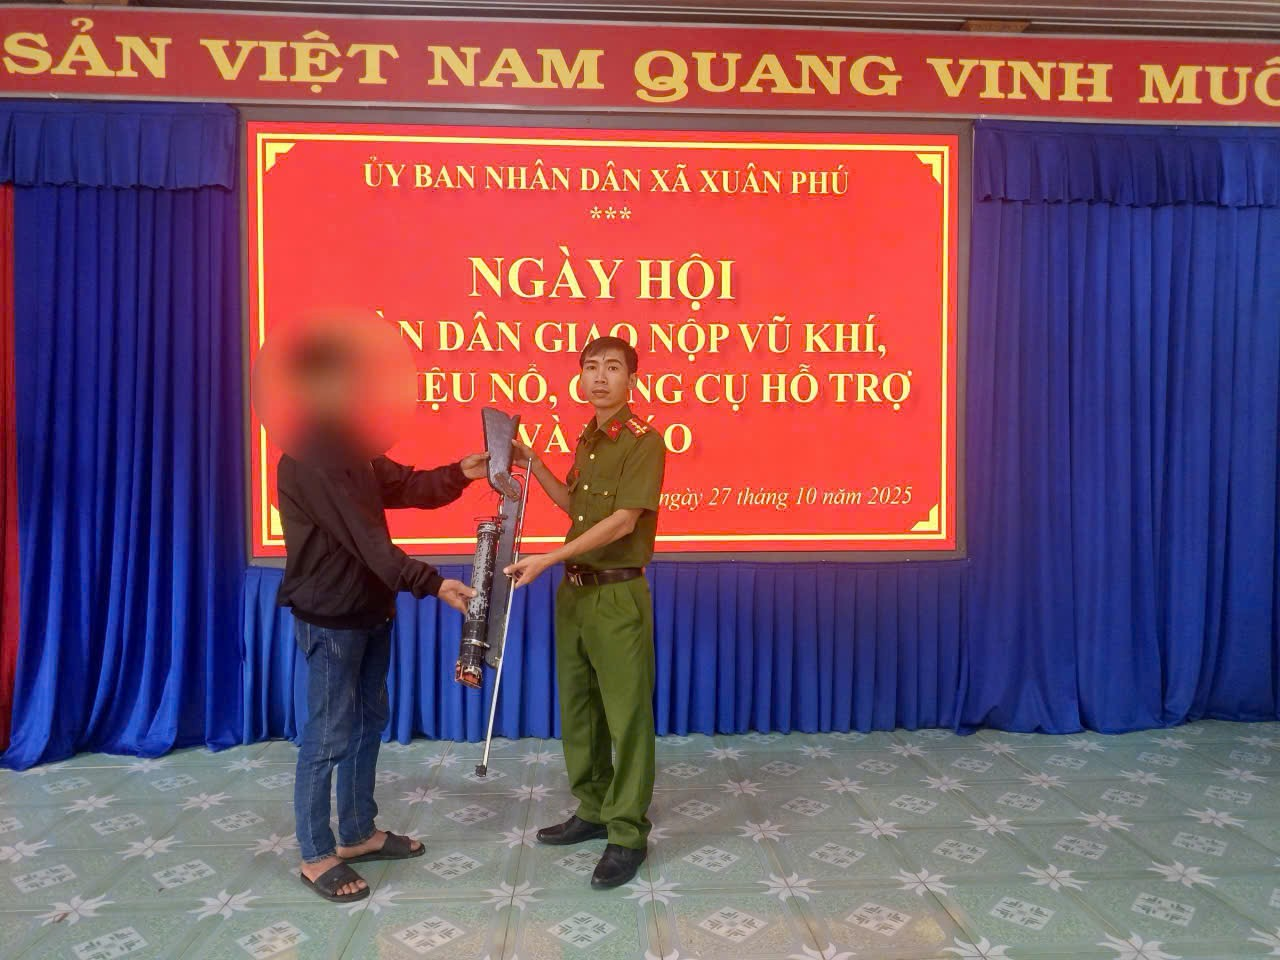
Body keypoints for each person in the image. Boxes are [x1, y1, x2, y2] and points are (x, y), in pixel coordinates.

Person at [275, 336, 487, 903]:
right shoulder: (309, 457)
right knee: (328, 734)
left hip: (370, 611)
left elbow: (406, 486)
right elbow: (370, 542)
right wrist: (433, 583)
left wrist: (461, 472)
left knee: (368, 723)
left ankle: (357, 833)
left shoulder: (353, 446)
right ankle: (316, 854)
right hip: (330, 619)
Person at [506, 336, 667, 890]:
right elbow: (576, 506)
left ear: (631, 380)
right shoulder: (589, 438)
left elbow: (623, 521)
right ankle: (593, 808)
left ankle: (627, 833)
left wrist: (549, 557)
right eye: (591, 367)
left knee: (627, 717)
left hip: (616, 595)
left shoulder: (644, 441)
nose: (600, 377)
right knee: (580, 710)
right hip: (575, 594)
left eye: (613, 368)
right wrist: (533, 462)